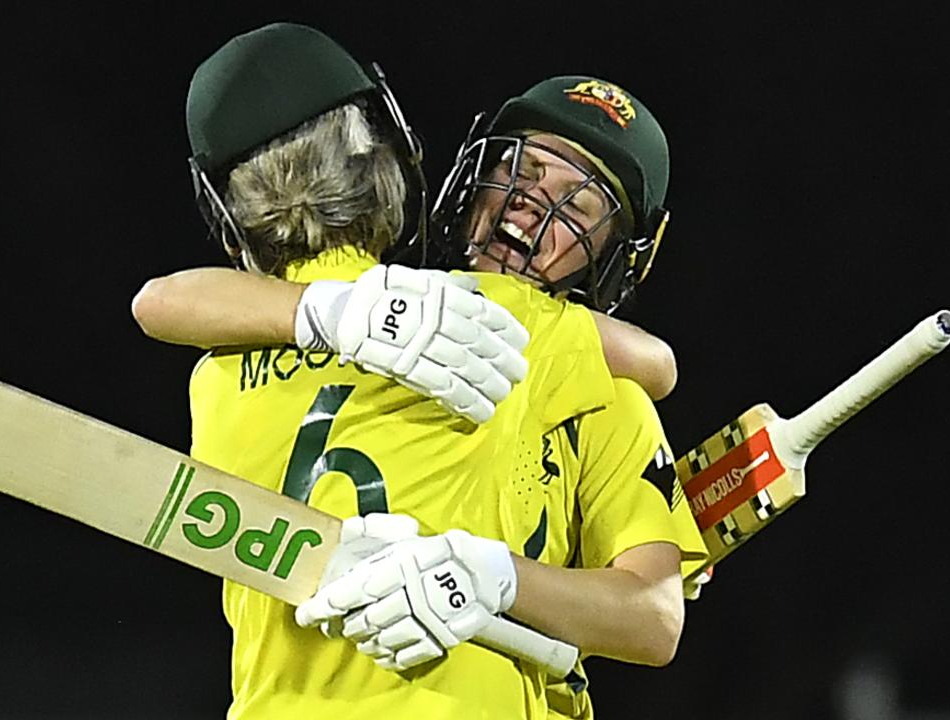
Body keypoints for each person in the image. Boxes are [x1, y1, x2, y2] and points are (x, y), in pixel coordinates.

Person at [131, 22, 703, 720]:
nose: (533, 201)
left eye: (578, 205)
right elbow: (659, 363)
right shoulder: (534, 336)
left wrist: (496, 578)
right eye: (520, 170)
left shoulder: (220, 366)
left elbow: (652, 617)